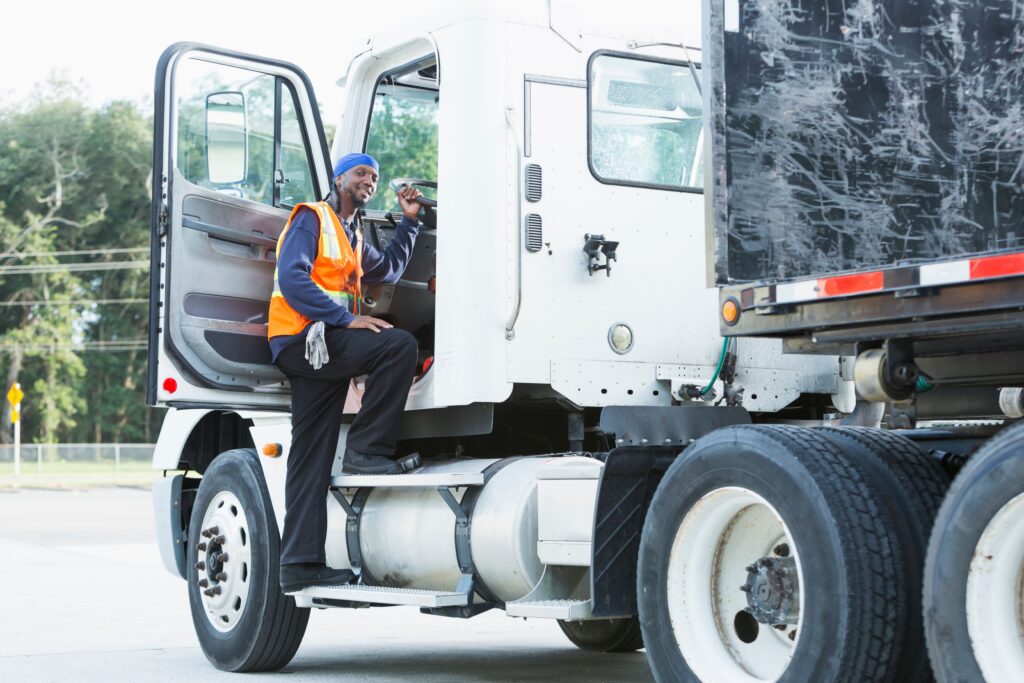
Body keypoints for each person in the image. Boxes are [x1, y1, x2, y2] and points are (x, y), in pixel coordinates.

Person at [268, 152, 422, 592]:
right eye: (360, 173)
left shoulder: (351, 236)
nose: (368, 181)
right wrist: (345, 321)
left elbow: (389, 269)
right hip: (304, 339)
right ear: (339, 179)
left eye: (374, 177)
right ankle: (367, 451)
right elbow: (293, 279)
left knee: (310, 456)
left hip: (319, 349)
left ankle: (299, 563)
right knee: (397, 345)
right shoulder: (310, 218)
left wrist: (410, 222)